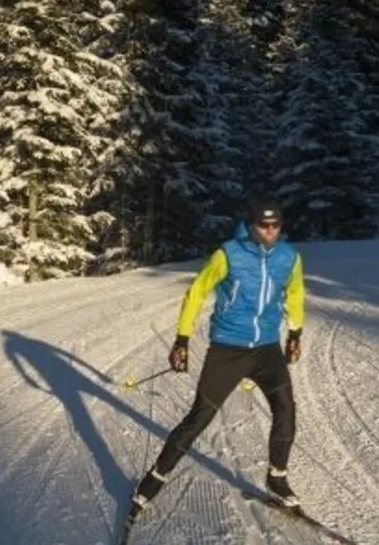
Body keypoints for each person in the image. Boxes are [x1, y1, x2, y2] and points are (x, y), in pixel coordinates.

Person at [127, 197, 307, 522]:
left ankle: (277, 477)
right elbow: (197, 292)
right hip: (228, 348)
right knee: (199, 417)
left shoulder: (288, 257)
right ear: (251, 226)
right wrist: (182, 338)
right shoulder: (228, 255)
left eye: (276, 225)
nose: (270, 232)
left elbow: (294, 292)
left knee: (286, 409)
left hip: (266, 348)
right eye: (264, 226)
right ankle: (153, 480)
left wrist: (295, 332)